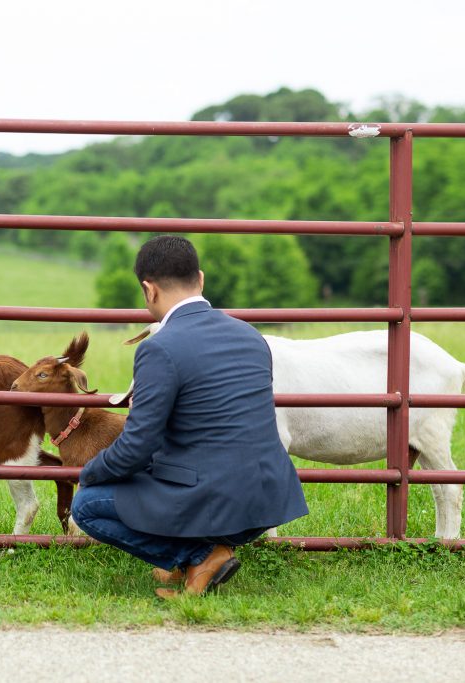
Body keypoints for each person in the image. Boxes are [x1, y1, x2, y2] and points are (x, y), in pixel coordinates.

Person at [71, 235, 308, 598]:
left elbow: (136, 446)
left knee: (87, 505)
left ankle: (200, 556)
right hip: (265, 499)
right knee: (169, 472)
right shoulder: (250, 337)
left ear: (149, 290)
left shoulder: (159, 349)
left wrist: (89, 472)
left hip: (216, 501)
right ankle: (190, 561)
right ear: (201, 278)